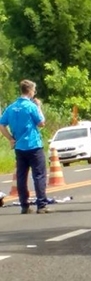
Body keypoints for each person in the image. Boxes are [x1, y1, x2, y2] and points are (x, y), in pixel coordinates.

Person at [0, 80, 51, 214]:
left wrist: (10, 138)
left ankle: (24, 205)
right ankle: (41, 204)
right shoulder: (31, 106)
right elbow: (41, 123)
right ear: (30, 91)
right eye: (34, 90)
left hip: (19, 147)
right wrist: (39, 106)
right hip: (33, 145)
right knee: (39, 175)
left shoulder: (11, 107)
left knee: (21, 176)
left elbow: (1, 125)